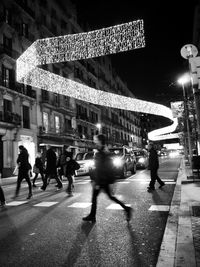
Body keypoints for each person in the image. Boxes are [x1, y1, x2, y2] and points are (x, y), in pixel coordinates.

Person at [82, 134, 132, 223]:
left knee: (99, 197)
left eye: (95, 139)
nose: (94, 141)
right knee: (109, 197)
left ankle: (92, 216)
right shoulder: (101, 151)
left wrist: (97, 182)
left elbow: (101, 168)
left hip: (102, 180)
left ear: (100, 141)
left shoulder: (101, 152)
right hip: (103, 179)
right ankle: (126, 209)